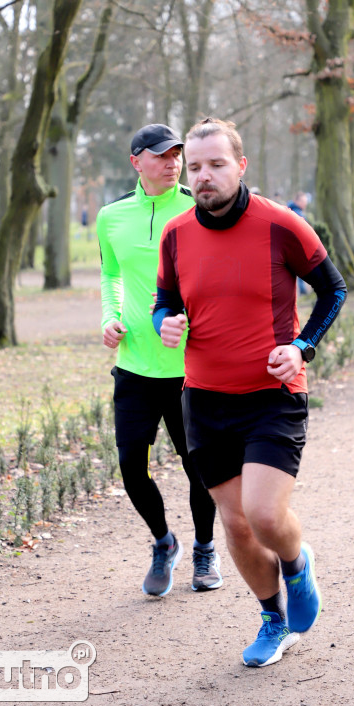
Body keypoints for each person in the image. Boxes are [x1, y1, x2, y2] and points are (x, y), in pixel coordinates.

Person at [153, 117, 347, 667]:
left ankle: (296, 562)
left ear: (240, 166)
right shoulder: (176, 235)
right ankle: (273, 617)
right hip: (205, 400)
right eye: (195, 167)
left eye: (216, 164)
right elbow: (165, 303)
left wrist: (302, 346)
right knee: (235, 525)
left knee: (264, 515)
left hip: (272, 392)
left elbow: (333, 288)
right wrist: (165, 322)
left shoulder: (281, 224)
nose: (205, 176)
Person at [96, 123, 222, 598]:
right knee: (131, 468)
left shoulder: (198, 208)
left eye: (177, 155)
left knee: (199, 469)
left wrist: (190, 319)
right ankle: (163, 542)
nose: (172, 162)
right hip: (134, 367)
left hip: (191, 369)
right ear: (136, 162)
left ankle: (205, 549)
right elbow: (111, 274)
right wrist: (110, 317)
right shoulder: (111, 217)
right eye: (161, 155)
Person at [288, 192, 310, 294]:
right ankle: (302, 290)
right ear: (297, 201)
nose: (305, 204)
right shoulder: (298, 213)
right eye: (303, 201)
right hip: (296, 245)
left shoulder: (289, 210)